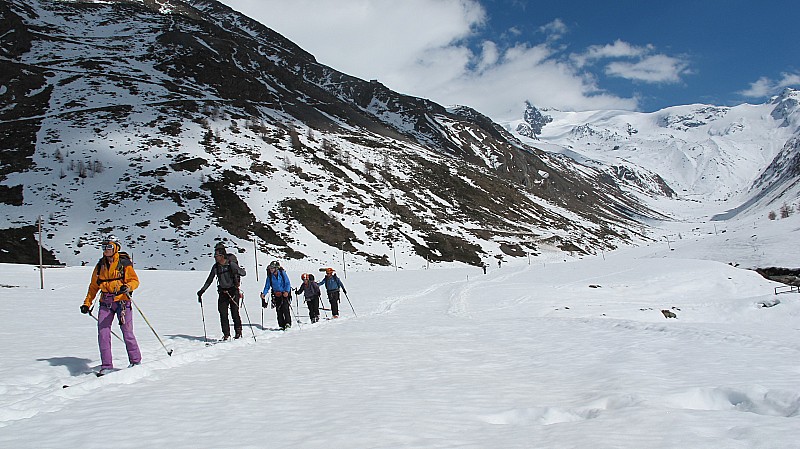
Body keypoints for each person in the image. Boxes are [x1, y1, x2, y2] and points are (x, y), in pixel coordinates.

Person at [81, 236, 141, 376]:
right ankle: (106, 366)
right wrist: (87, 303)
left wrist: (127, 287)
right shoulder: (100, 265)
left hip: (122, 301)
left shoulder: (124, 263)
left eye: (109, 247)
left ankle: (135, 361)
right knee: (103, 333)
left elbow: (134, 280)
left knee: (127, 332)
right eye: (104, 247)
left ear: (116, 248)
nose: (106, 249)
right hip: (105, 302)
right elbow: (93, 286)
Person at [197, 244, 243, 340]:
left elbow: (243, 273)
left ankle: (238, 332)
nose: (215, 257)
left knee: (234, 312)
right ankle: (226, 334)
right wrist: (202, 290)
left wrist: (237, 272)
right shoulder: (216, 267)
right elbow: (210, 280)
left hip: (233, 291)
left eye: (216, 255)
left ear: (222, 256)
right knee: (223, 313)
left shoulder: (231, 264)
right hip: (223, 292)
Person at [260, 261, 292, 330]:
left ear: (276, 268)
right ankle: (281, 325)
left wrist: (286, 291)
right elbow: (267, 286)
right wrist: (264, 294)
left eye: (272, 268)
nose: (271, 269)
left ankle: (288, 323)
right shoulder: (270, 276)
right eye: (270, 268)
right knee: (279, 310)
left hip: (284, 294)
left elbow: (287, 283)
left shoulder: (282, 273)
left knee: (285, 309)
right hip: (277, 295)